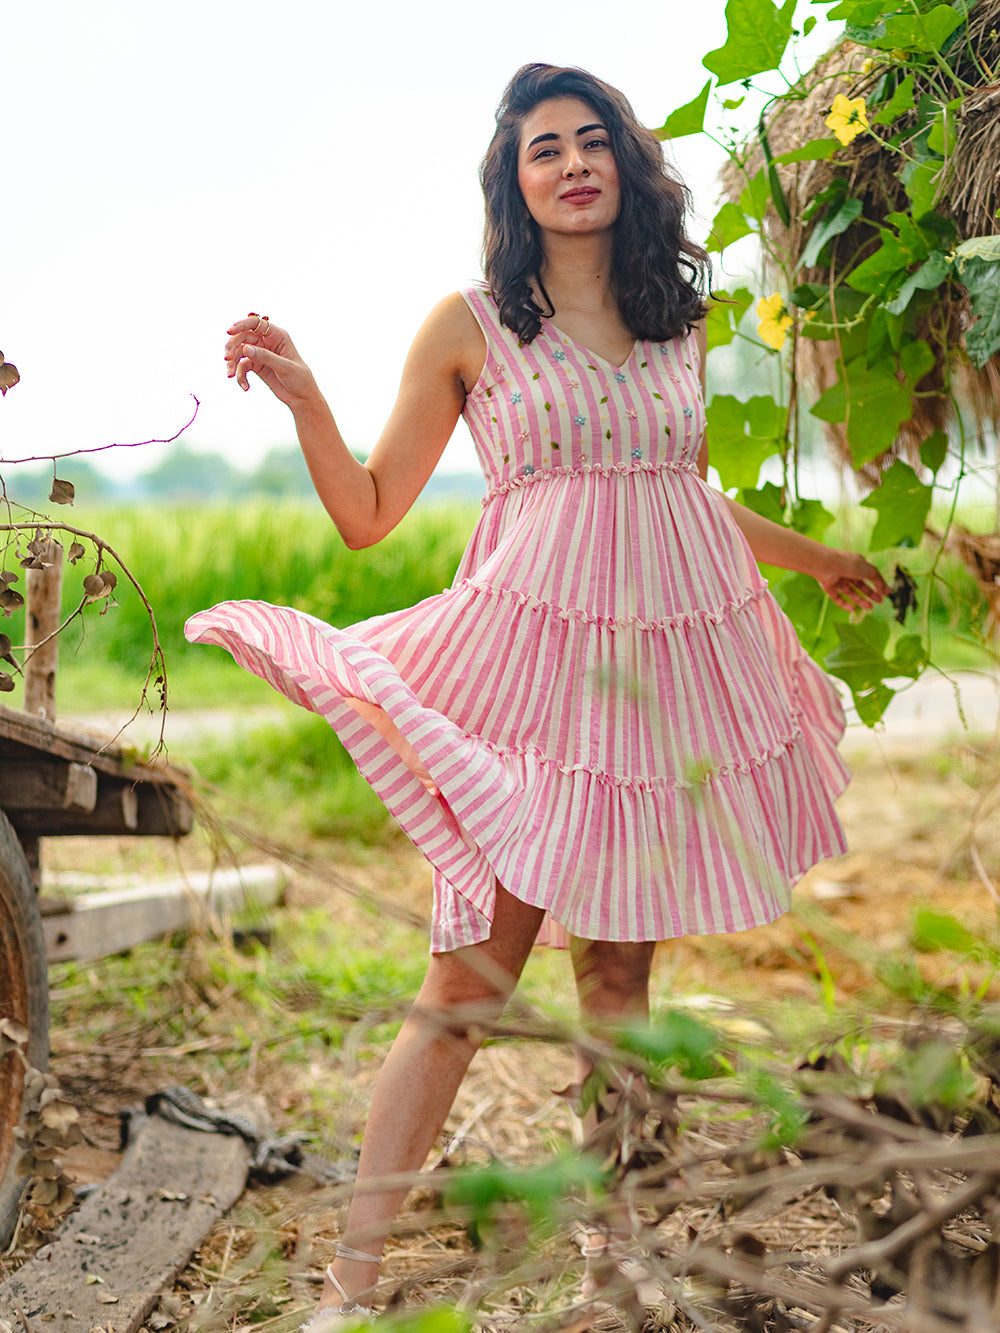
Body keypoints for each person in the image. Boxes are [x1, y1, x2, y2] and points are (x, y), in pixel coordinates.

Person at [185, 62, 888, 1327]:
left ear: (625, 160)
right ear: (512, 185)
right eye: (541, 151)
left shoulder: (677, 319)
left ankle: (614, 1266)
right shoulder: (468, 323)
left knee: (620, 986)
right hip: (528, 685)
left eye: (589, 140)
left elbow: (676, 491)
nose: (570, 163)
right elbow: (366, 514)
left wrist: (825, 558)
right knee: (465, 989)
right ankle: (348, 1285)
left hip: (652, 686)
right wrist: (304, 396)